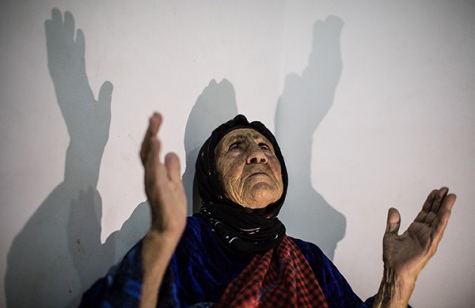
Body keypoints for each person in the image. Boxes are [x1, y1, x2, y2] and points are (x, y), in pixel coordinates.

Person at [80, 112, 456, 308]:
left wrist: (398, 282)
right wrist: (162, 237)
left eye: (265, 148)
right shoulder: (187, 241)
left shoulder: (307, 258)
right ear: (211, 178)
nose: (257, 153)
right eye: (236, 147)